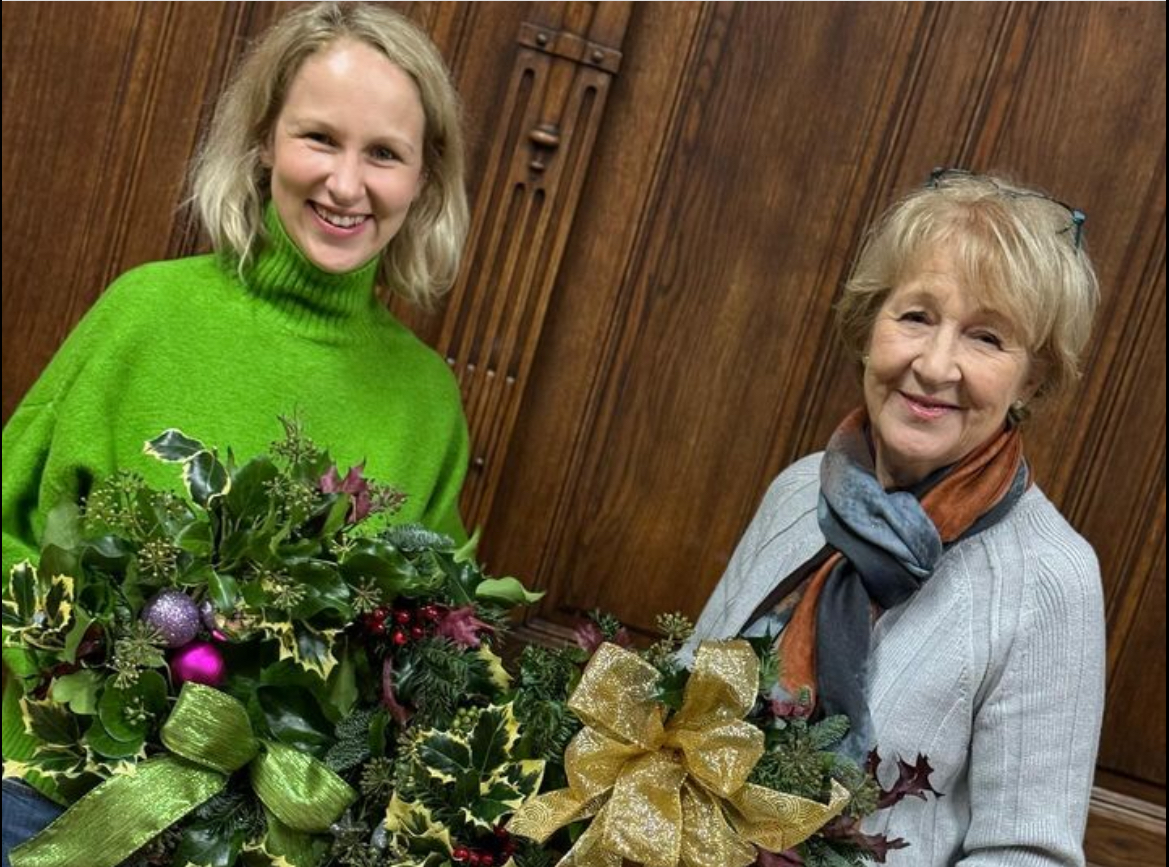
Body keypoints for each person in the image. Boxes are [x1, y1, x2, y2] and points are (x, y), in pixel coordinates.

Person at [1, 3, 471, 861]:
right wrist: (85, 665)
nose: (345, 184)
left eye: (384, 153)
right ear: (262, 142)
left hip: (266, 842)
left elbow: (414, 655)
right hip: (54, 804)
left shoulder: (426, 400)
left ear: (424, 177)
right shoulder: (144, 314)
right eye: (319, 138)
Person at [688, 169, 1105, 865]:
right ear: (868, 325)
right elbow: (681, 700)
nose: (935, 364)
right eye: (914, 316)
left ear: (1030, 376)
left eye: (986, 338)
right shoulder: (798, 491)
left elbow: (1028, 855)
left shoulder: (1051, 579)